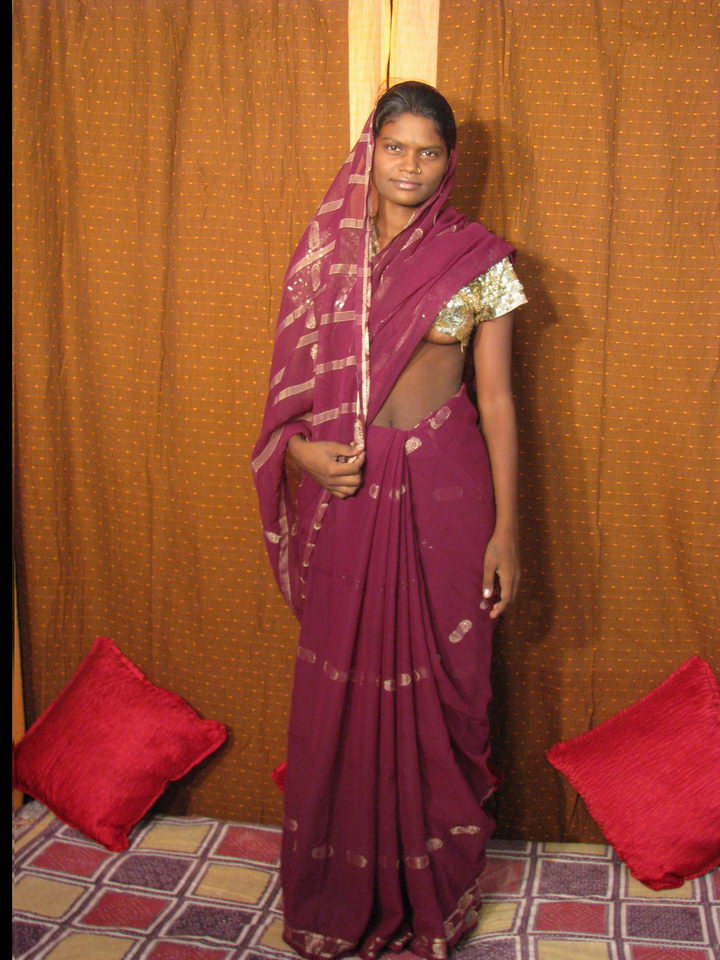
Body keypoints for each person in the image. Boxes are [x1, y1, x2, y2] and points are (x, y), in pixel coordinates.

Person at [252, 81, 527, 960]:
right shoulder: (325, 262)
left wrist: (508, 530)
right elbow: (288, 404)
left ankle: (435, 896)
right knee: (341, 699)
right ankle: (342, 898)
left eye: (428, 151)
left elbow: (497, 399)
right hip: (350, 493)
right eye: (395, 147)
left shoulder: (479, 261)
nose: (410, 166)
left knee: (450, 685)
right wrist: (301, 455)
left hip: (450, 492)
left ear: (450, 162)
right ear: (368, 151)